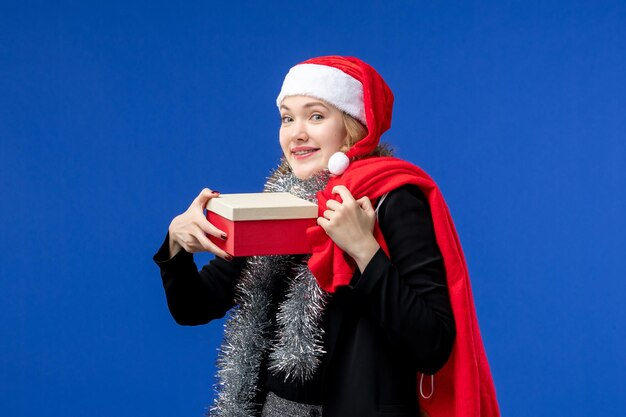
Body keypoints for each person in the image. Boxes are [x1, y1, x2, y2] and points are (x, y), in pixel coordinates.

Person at [154, 56, 499, 417]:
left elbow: (433, 345)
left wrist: (365, 251)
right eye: (288, 118)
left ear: (353, 127)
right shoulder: (277, 205)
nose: (297, 132)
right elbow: (192, 307)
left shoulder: (392, 201)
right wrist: (176, 246)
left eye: (315, 116)